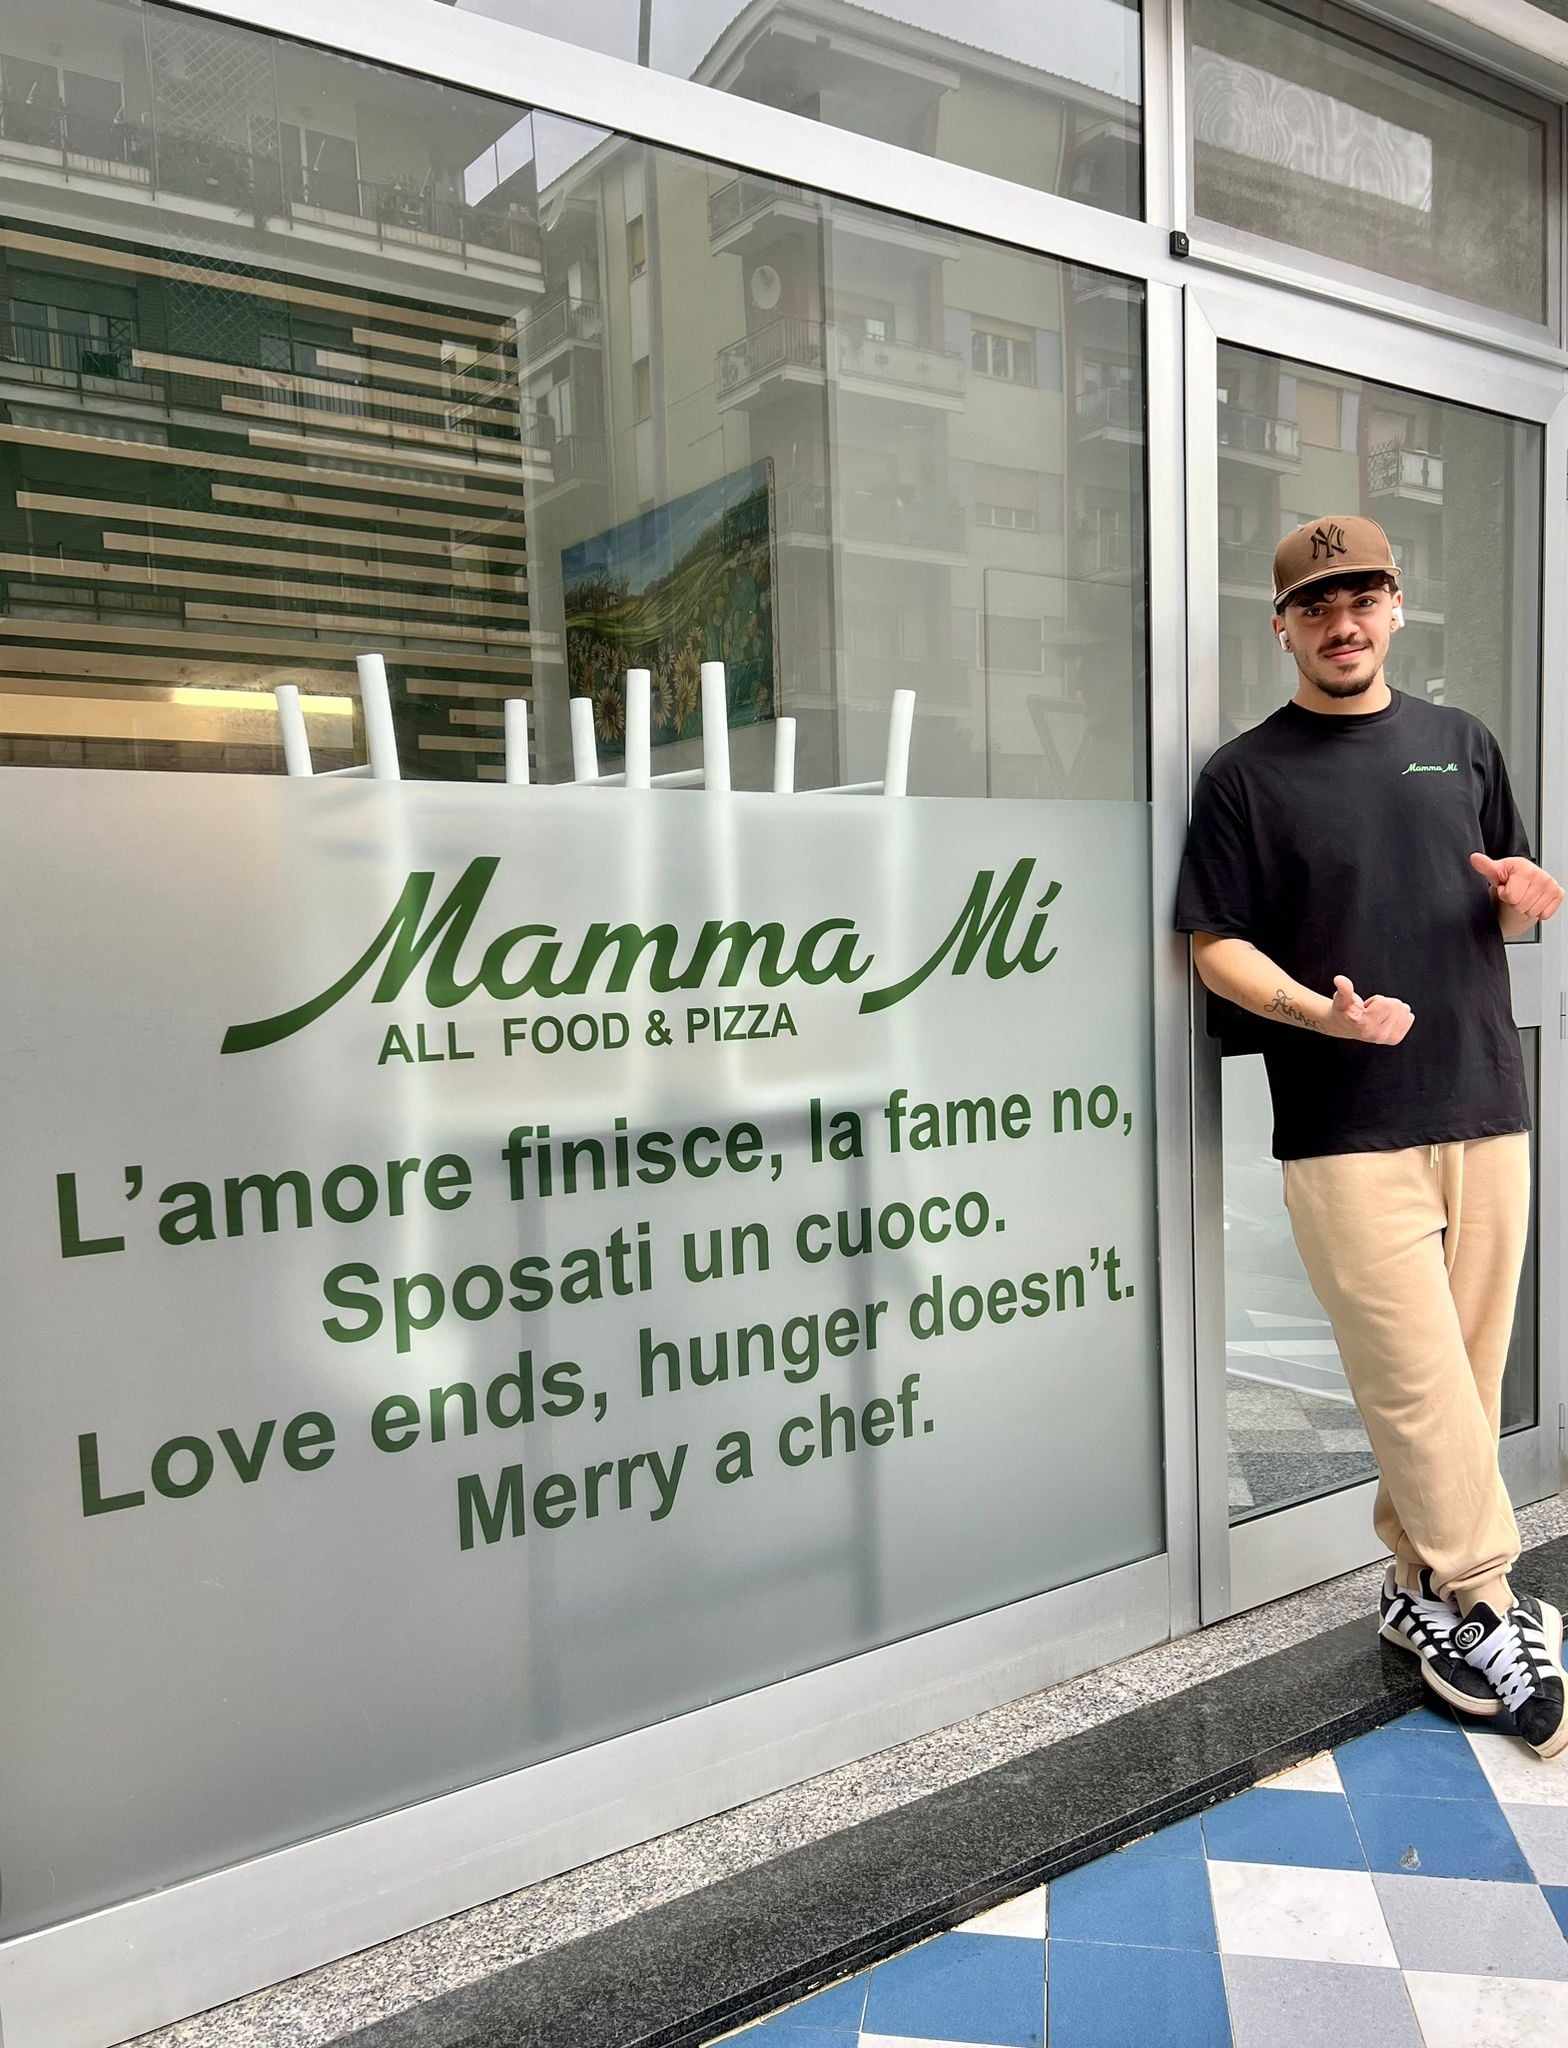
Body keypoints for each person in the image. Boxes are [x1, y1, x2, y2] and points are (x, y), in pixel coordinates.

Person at [1175, 513, 1567, 1759]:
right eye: (1315, 605)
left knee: (1459, 1381)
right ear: (1281, 626)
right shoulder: (1244, 775)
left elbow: (1496, 902)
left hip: (1484, 1103)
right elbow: (1213, 945)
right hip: (1343, 1130)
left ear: (1394, 605)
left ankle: (1412, 1593)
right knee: (1412, 1379)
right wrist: (1316, 1011)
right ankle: (1486, 1601)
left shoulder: (1461, 742)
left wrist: (1522, 902)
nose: (1341, 623)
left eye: (1361, 598)